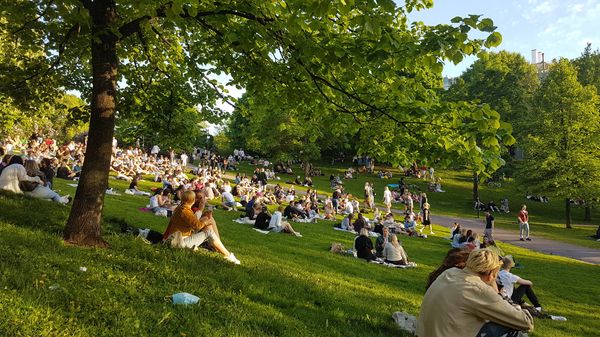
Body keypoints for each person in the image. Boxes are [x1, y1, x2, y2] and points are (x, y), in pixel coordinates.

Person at [417, 249, 534, 337]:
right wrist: (498, 293)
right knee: (511, 326)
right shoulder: (478, 289)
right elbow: (525, 322)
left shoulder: (449, 273)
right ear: (492, 274)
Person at [162, 190, 240, 264]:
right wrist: (204, 217)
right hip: (178, 242)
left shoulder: (181, 208)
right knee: (209, 231)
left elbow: (192, 222)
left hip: (176, 238)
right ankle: (228, 255)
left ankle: (219, 248)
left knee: (207, 222)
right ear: (193, 201)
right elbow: (197, 226)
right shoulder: (185, 211)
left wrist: (204, 218)